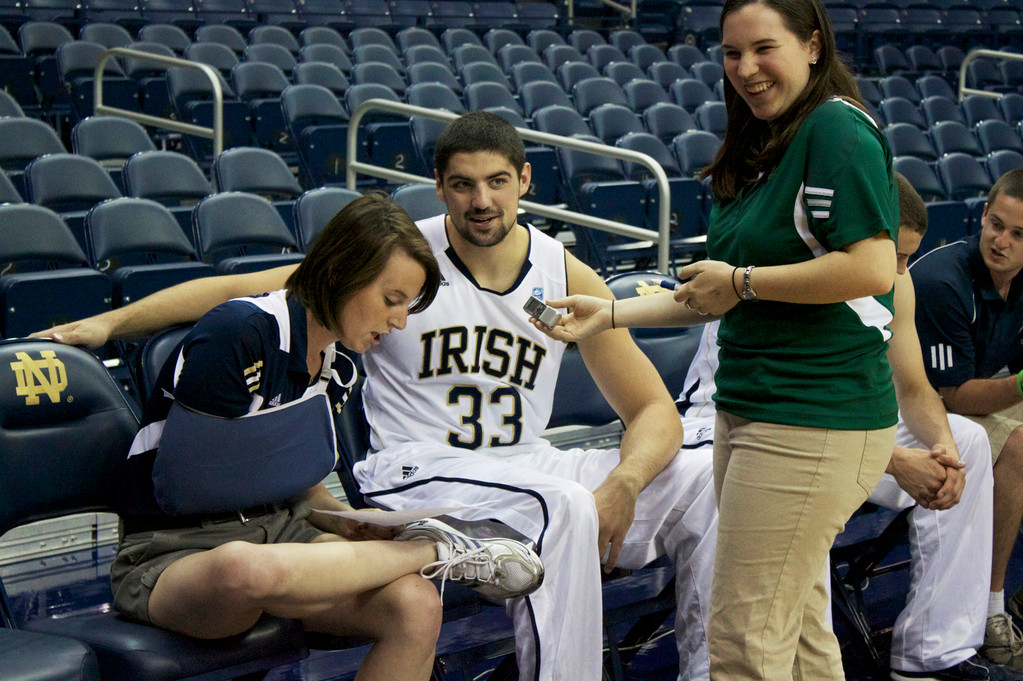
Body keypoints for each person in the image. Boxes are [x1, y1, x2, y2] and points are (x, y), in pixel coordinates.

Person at [33, 112, 718, 681]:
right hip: (404, 477)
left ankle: (715, 669)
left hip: (489, 472)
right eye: (463, 184)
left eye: (498, 182)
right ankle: (456, 555)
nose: (482, 200)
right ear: (439, 189)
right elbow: (234, 299)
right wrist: (110, 322)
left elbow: (652, 410)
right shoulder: (378, 263)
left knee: (703, 475)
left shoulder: (552, 274)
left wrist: (625, 482)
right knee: (558, 508)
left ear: (525, 181)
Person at [535, 0, 900, 677]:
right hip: (750, 410)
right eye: (731, 54)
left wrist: (742, 281)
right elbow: (713, 292)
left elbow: (871, 266)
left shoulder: (834, 130)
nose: (745, 68)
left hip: (810, 417)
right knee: (796, 633)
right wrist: (610, 314)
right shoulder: (765, 139)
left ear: (813, 46)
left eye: (764, 48)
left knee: (740, 643)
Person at [109, 193, 544, 681]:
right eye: (391, 299)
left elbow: (280, 478)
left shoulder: (338, 365)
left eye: (408, 306)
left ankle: (440, 545)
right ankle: (441, 550)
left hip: (283, 534)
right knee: (244, 569)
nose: (400, 321)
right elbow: (190, 485)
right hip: (176, 552)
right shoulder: (239, 333)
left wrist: (344, 519)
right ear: (340, 271)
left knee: (414, 602)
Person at [678, 173, 1022, 681]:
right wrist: (896, 459)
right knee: (800, 492)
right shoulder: (786, 273)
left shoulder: (891, 279)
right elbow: (790, 413)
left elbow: (912, 388)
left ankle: (935, 651)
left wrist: (942, 449)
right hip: (739, 427)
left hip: (843, 428)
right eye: (897, 255)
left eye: (909, 257)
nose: (905, 270)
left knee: (968, 439)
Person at [910, 168, 1023, 671]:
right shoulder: (941, 281)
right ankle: (991, 607)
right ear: (982, 214)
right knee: (1019, 445)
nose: (1001, 241)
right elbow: (953, 395)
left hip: (973, 395)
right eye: (996, 224)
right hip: (920, 407)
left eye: (1019, 235)